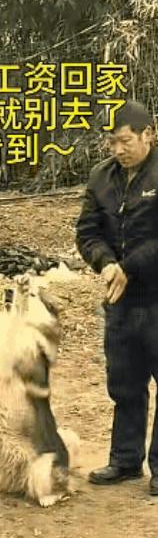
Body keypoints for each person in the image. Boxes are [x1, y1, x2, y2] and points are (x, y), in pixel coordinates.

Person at [76, 99, 158, 496]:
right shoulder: (101, 177)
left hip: (155, 295)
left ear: (149, 135)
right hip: (120, 299)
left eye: (125, 141)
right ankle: (125, 460)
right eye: (112, 143)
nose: (118, 150)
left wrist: (130, 267)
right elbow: (87, 231)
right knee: (124, 382)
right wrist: (106, 263)